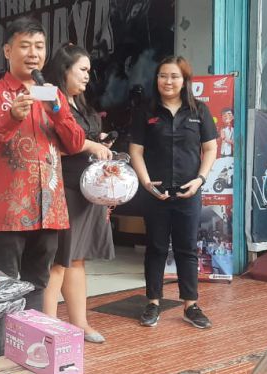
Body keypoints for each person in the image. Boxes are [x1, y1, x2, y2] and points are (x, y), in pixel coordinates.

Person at [0, 17, 85, 356]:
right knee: (4, 285)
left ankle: (30, 348)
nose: (33, 53)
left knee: (38, 282)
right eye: (25, 46)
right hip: (8, 212)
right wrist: (11, 117)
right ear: (7, 51)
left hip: (49, 209)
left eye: (39, 46)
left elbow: (76, 143)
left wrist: (58, 111)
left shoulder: (53, 94)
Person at [129, 56, 218, 329]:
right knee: (155, 247)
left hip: (189, 192)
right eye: (163, 76)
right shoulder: (145, 111)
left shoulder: (199, 110)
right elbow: (136, 151)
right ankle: (153, 302)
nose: (168, 81)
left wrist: (200, 180)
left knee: (186, 248)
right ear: (156, 79)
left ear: (184, 80)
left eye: (174, 76)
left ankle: (191, 305)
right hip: (155, 193)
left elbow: (211, 148)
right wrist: (146, 183)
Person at [40, 44, 114, 344]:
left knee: (78, 259)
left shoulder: (82, 105)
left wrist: (100, 143)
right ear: (64, 70)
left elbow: (81, 139)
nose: (87, 76)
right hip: (64, 189)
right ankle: (47, 327)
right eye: (82, 70)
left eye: (88, 71)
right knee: (59, 261)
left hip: (89, 190)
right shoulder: (47, 97)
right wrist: (90, 145)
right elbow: (52, 142)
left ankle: (80, 323)